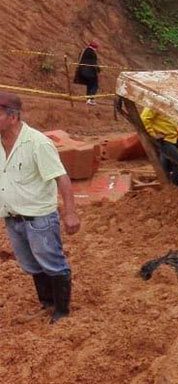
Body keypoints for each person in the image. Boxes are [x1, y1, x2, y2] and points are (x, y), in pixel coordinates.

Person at [0, 92, 80, 323]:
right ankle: (47, 304)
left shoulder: (37, 143)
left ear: (12, 117)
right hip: (12, 218)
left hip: (39, 218)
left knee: (52, 262)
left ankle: (62, 311)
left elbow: (61, 178)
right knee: (32, 264)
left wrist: (70, 213)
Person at [140, 107, 178, 187]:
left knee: (166, 166)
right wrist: (153, 135)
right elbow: (144, 119)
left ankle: (167, 187)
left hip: (172, 139)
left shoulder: (165, 104)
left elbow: (169, 120)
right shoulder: (153, 104)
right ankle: (176, 188)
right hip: (164, 140)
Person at [73, 41, 101, 105]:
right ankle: (91, 99)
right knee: (95, 86)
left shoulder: (83, 51)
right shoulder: (92, 53)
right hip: (90, 72)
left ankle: (88, 99)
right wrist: (98, 69)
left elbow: (79, 59)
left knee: (89, 85)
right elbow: (94, 63)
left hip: (81, 71)